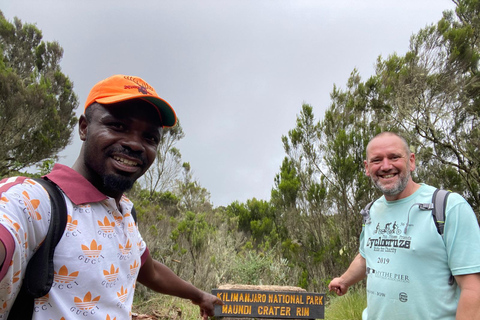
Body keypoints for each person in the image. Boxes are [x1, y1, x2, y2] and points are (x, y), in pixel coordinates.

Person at [0, 74, 222, 319]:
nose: (135, 145)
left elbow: (151, 272)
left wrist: (199, 296)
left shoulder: (124, 211)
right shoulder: (35, 201)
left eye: (150, 138)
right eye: (118, 126)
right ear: (84, 127)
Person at [328, 132, 480, 319]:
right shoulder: (372, 210)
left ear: (411, 161)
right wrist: (344, 280)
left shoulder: (449, 207)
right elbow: (367, 255)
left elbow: (473, 288)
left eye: (394, 157)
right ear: (367, 168)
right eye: (377, 160)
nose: (386, 166)